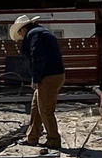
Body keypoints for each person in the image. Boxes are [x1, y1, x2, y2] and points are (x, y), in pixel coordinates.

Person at [11, 15, 65, 150]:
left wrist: (36, 78)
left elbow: (37, 57)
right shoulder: (40, 32)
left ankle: (53, 140)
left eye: (20, 33)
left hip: (49, 76)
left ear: (22, 29)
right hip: (54, 75)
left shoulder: (34, 35)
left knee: (45, 110)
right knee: (36, 106)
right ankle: (32, 137)